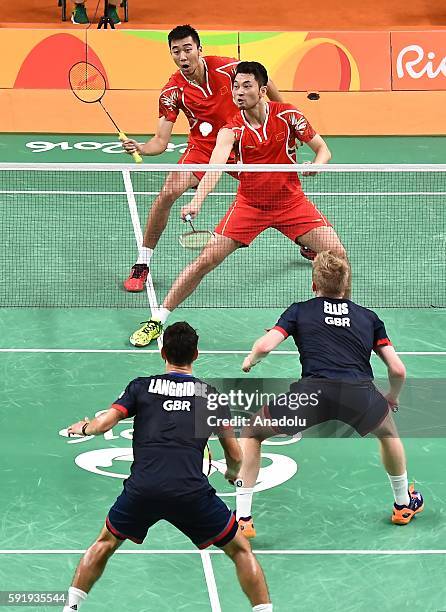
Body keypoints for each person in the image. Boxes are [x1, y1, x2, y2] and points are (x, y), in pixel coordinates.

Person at [129, 61, 347, 348]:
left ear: (262, 89)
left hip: (291, 203)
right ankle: (157, 319)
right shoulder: (230, 131)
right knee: (205, 260)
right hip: (250, 206)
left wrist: (317, 166)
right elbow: (215, 168)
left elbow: (323, 150)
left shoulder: (290, 115)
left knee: (338, 255)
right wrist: (197, 200)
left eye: (246, 86)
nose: (238, 92)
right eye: (235, 86)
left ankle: (344, 318)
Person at [63, 322, 273, 612]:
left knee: (105, 542)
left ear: (162, 352)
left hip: (143, 490)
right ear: (196, 355)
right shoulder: (211, 396)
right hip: (191, 492)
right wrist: (232, 472)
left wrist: (84, 427)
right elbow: (235, 454)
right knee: (240, 550)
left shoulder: (140, 387)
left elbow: (104, 424)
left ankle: (70, 607)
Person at [235, 251, 423, 538]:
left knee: (252, 433)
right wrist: (391, 397)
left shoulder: (299, 310)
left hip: (312, 395)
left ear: (314, 285)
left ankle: (243, 519)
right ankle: (403, 504)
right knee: (388, 435)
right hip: (359, 394)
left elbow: (264, 347)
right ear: (345, 285)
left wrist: (251, 360)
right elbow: (398, 370)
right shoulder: (369, 318)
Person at [121, 25, 282, 292]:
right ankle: (143, 262)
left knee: (274, 193)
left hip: (240, 142)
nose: (183, 57)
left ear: (199, 50)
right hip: (204, 149)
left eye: (187, 49)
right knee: (168, 192)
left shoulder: (229, 69)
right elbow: (160, 142)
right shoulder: (172, 91)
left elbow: (265, 83)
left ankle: (305, 241)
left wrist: (281, 116)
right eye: (176, 51)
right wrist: (141, 147)